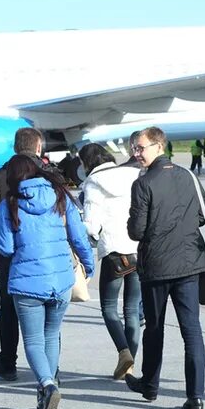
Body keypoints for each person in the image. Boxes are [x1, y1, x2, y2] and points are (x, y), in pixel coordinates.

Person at [0, 153, 94, 409]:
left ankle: (48, 385)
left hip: (27, 282)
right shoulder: (60, 197)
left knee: (34, 341)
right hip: (60, 281)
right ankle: (46, 393)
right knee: (51, 336)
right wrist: (88, 265)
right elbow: (79, 237)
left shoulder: (10, 205)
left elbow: (6, 248)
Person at [125, 127, 205, 409]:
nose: (136, 154)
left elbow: (136, 231)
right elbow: (201, 216)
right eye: (134, 148)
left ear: (159, 146)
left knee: (155, 328)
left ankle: (151, 384)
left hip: (158, 264)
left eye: (140, 148)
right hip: (189, 262)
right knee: (191, 330)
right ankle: (195, 395)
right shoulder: (189, 176)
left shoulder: (144, 183)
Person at [0, 126, 46, 381]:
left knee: (8, 309)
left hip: (9, 254)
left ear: (16, 147)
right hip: (41, 253)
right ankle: (51, 367)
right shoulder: (47, 174)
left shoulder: (0, 175)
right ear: (38, 147)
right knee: (47, 310)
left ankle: (8, 361)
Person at [78, 142, 141, 380]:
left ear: (86, 164)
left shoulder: (94, 183)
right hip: (138, 248)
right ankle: (130, 364)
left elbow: (91, 226)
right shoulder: (133, 174)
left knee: (108, 308)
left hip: (114, 252)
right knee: (133, 309)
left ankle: (124, 351)